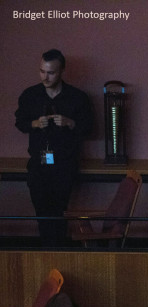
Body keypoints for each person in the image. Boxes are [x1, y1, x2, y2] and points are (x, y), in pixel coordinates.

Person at [15, 49, 93, 247]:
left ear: (61, 71)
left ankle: (58, 251)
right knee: (42, 213)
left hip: (64, 165)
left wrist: (70, 123)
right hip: (38, 165)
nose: (45, 77)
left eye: (50, 72)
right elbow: (20, 122)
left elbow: (89, 127)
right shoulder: (30, 95)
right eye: (42, 71)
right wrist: (34, 124)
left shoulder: (77, 98)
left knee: (59, 212)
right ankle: (47, 251)